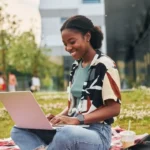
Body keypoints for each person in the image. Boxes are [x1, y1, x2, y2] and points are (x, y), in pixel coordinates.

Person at [11, 15, 121, 150]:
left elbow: (114, 108)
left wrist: (78, 119)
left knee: (66, 134)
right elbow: (73, 107)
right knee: (19, 129)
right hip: (72, 128)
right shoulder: (76, 67)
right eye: (65, 44)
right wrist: (57, 118)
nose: (68, 48)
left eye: (72, 42)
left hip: (97, 133)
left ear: (87, 36)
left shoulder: (105, 65)